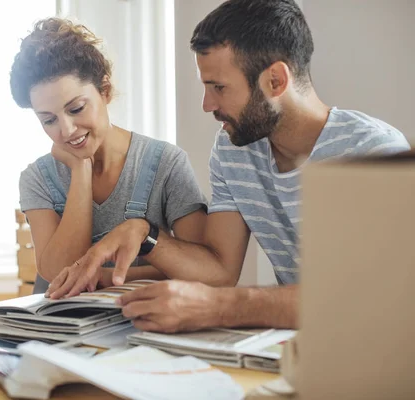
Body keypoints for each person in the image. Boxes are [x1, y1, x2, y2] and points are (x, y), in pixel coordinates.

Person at [46, 0, 411, 331]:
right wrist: (145, 233)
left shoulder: (374, 151)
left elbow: (377, 300)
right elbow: (218, 272)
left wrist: (220, 307)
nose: (207, 104)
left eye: (219, 87)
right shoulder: (233, 148)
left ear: (276, 80)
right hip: (295, 346)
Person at [10, 18, 207, 294]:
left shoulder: (167, 164)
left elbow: (202, 269)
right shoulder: (37, 179)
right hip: (59, 330)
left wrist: (109, 277)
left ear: (106, 91)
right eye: (49, 120)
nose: (66, 130)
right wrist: (81, 170)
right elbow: (56, 271)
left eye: (76, 109)